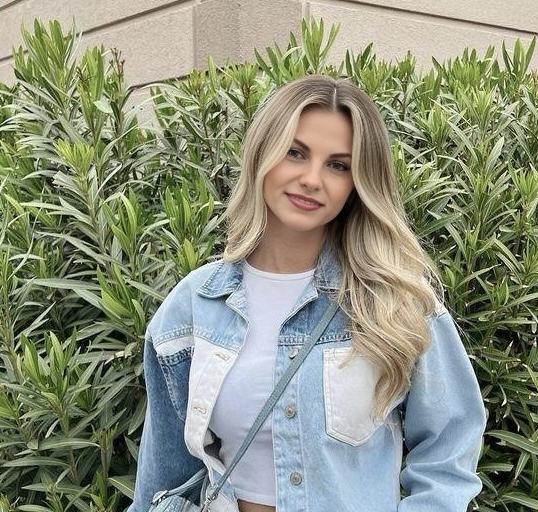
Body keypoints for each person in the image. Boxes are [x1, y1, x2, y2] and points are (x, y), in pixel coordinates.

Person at [129, 74, 487, 512]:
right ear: (263, 154)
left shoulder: (394, 303)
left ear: (357, 183)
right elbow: (164, 477)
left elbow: (450, 450)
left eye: (338, 165)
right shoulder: (195, 306)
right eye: (295, 153)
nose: (312, 179)